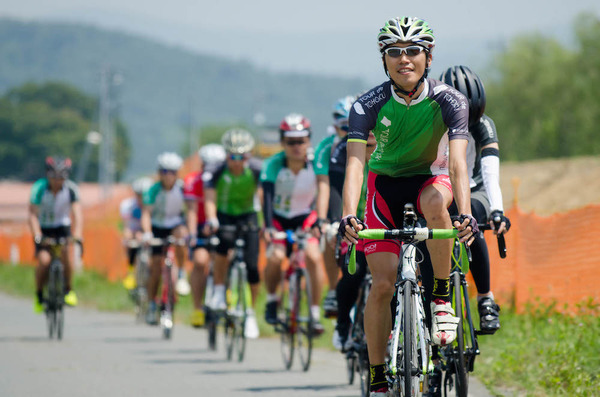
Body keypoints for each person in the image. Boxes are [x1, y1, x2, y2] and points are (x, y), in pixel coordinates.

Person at [338, 17, 476, 396]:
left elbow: (460, 163)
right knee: (382, 284)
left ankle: (441, 297)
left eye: (413, 50)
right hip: (383, 188)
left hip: (431, 178)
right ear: (384, 60)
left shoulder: (449, 99)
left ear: (428, 57)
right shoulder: (367, 104)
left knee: (435, 203)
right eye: (394, 52)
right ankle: (379, 376)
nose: (404, 59)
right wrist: (349, 214)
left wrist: (464, 213)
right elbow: (355, 164)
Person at [439, 65, 509, 333]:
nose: (465, 125)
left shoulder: (483, 124)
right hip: (439, 187)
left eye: (472, 118)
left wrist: (498, 211)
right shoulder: (431, 118)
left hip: (473, 186)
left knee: (474, 224)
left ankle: (485, 298)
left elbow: (491, 173)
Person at [261, 113, 325, 334]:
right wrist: (268, 227)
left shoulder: (316, 162)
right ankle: (271, 300)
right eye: (291, 141)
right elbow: (267, 198)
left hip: (305, 218)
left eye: (302, 140)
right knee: (275, 257)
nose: (297, 146)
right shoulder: (273, 164)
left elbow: (324, 191)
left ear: (309, 140)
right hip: (278, 219)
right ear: (282, 142)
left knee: (314, 257)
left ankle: (315, 314)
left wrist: (320, 219)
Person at [202, 131, 263, 339]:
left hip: (248, 216)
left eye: (242, 157)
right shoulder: (215, 170)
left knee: (253, 266)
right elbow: (209, 198)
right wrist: (212, 219)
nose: (237, 162)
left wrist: (265, 224)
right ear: (226, 155)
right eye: (233, 157)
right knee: (222, 246)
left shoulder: (256, 169)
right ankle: (219, 291)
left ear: (250, 155)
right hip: (224, 215)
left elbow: (264, 197)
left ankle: (250, 313)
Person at [312, 95, 356, 318]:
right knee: (330, 235)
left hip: (365, 199)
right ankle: (332, 288)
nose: (349, 132)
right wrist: (324, 219)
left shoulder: (373, 141)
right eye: (343, 127)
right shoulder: (326, 147)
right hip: (336, 196)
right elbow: (324, 187)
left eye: (353, 126)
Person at [141, 152, 191, 325]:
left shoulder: (183, 188)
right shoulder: (153, 189)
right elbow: (146, 214)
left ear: (177, 173)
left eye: (172, 172)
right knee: (155, 267)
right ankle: (151, 304)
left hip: (175, 224)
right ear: (159, 173)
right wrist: (147, 233)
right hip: (157, 227)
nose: (168, 176)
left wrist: (190, 232)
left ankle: (182, 272)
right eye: (164, 172)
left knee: (181, 237)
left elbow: (190, 209)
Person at [29, 156, 83, 313]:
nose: (57, 180)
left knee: (66, 253)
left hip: (62, 227)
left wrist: (78, 234)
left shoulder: (71, 189)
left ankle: (68, 289)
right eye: (54, 176)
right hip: (43, 228)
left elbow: (78, 215)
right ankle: (39, 295)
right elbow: (32, 215)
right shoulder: (39, 188)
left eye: (61, 177)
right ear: (48, 175)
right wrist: (37, 235)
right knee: (44, 262)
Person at [183, 144, 226, 328]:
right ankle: (197, 308)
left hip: (222, 222)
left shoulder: (227, 180)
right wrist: (192, 234)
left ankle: (225, 293)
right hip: (201, 225)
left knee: (226, 257)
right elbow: (191, 211)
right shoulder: (192, 180)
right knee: (200, 262)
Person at [120, 176, 154, 291]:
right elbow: (127, 227)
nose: (142, 198)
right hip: (135, 231)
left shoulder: (153, 205)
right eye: (139, 195)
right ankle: (130, 271)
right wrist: (129, 238)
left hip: (150, 232)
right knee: (130, 239)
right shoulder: (128, 205)